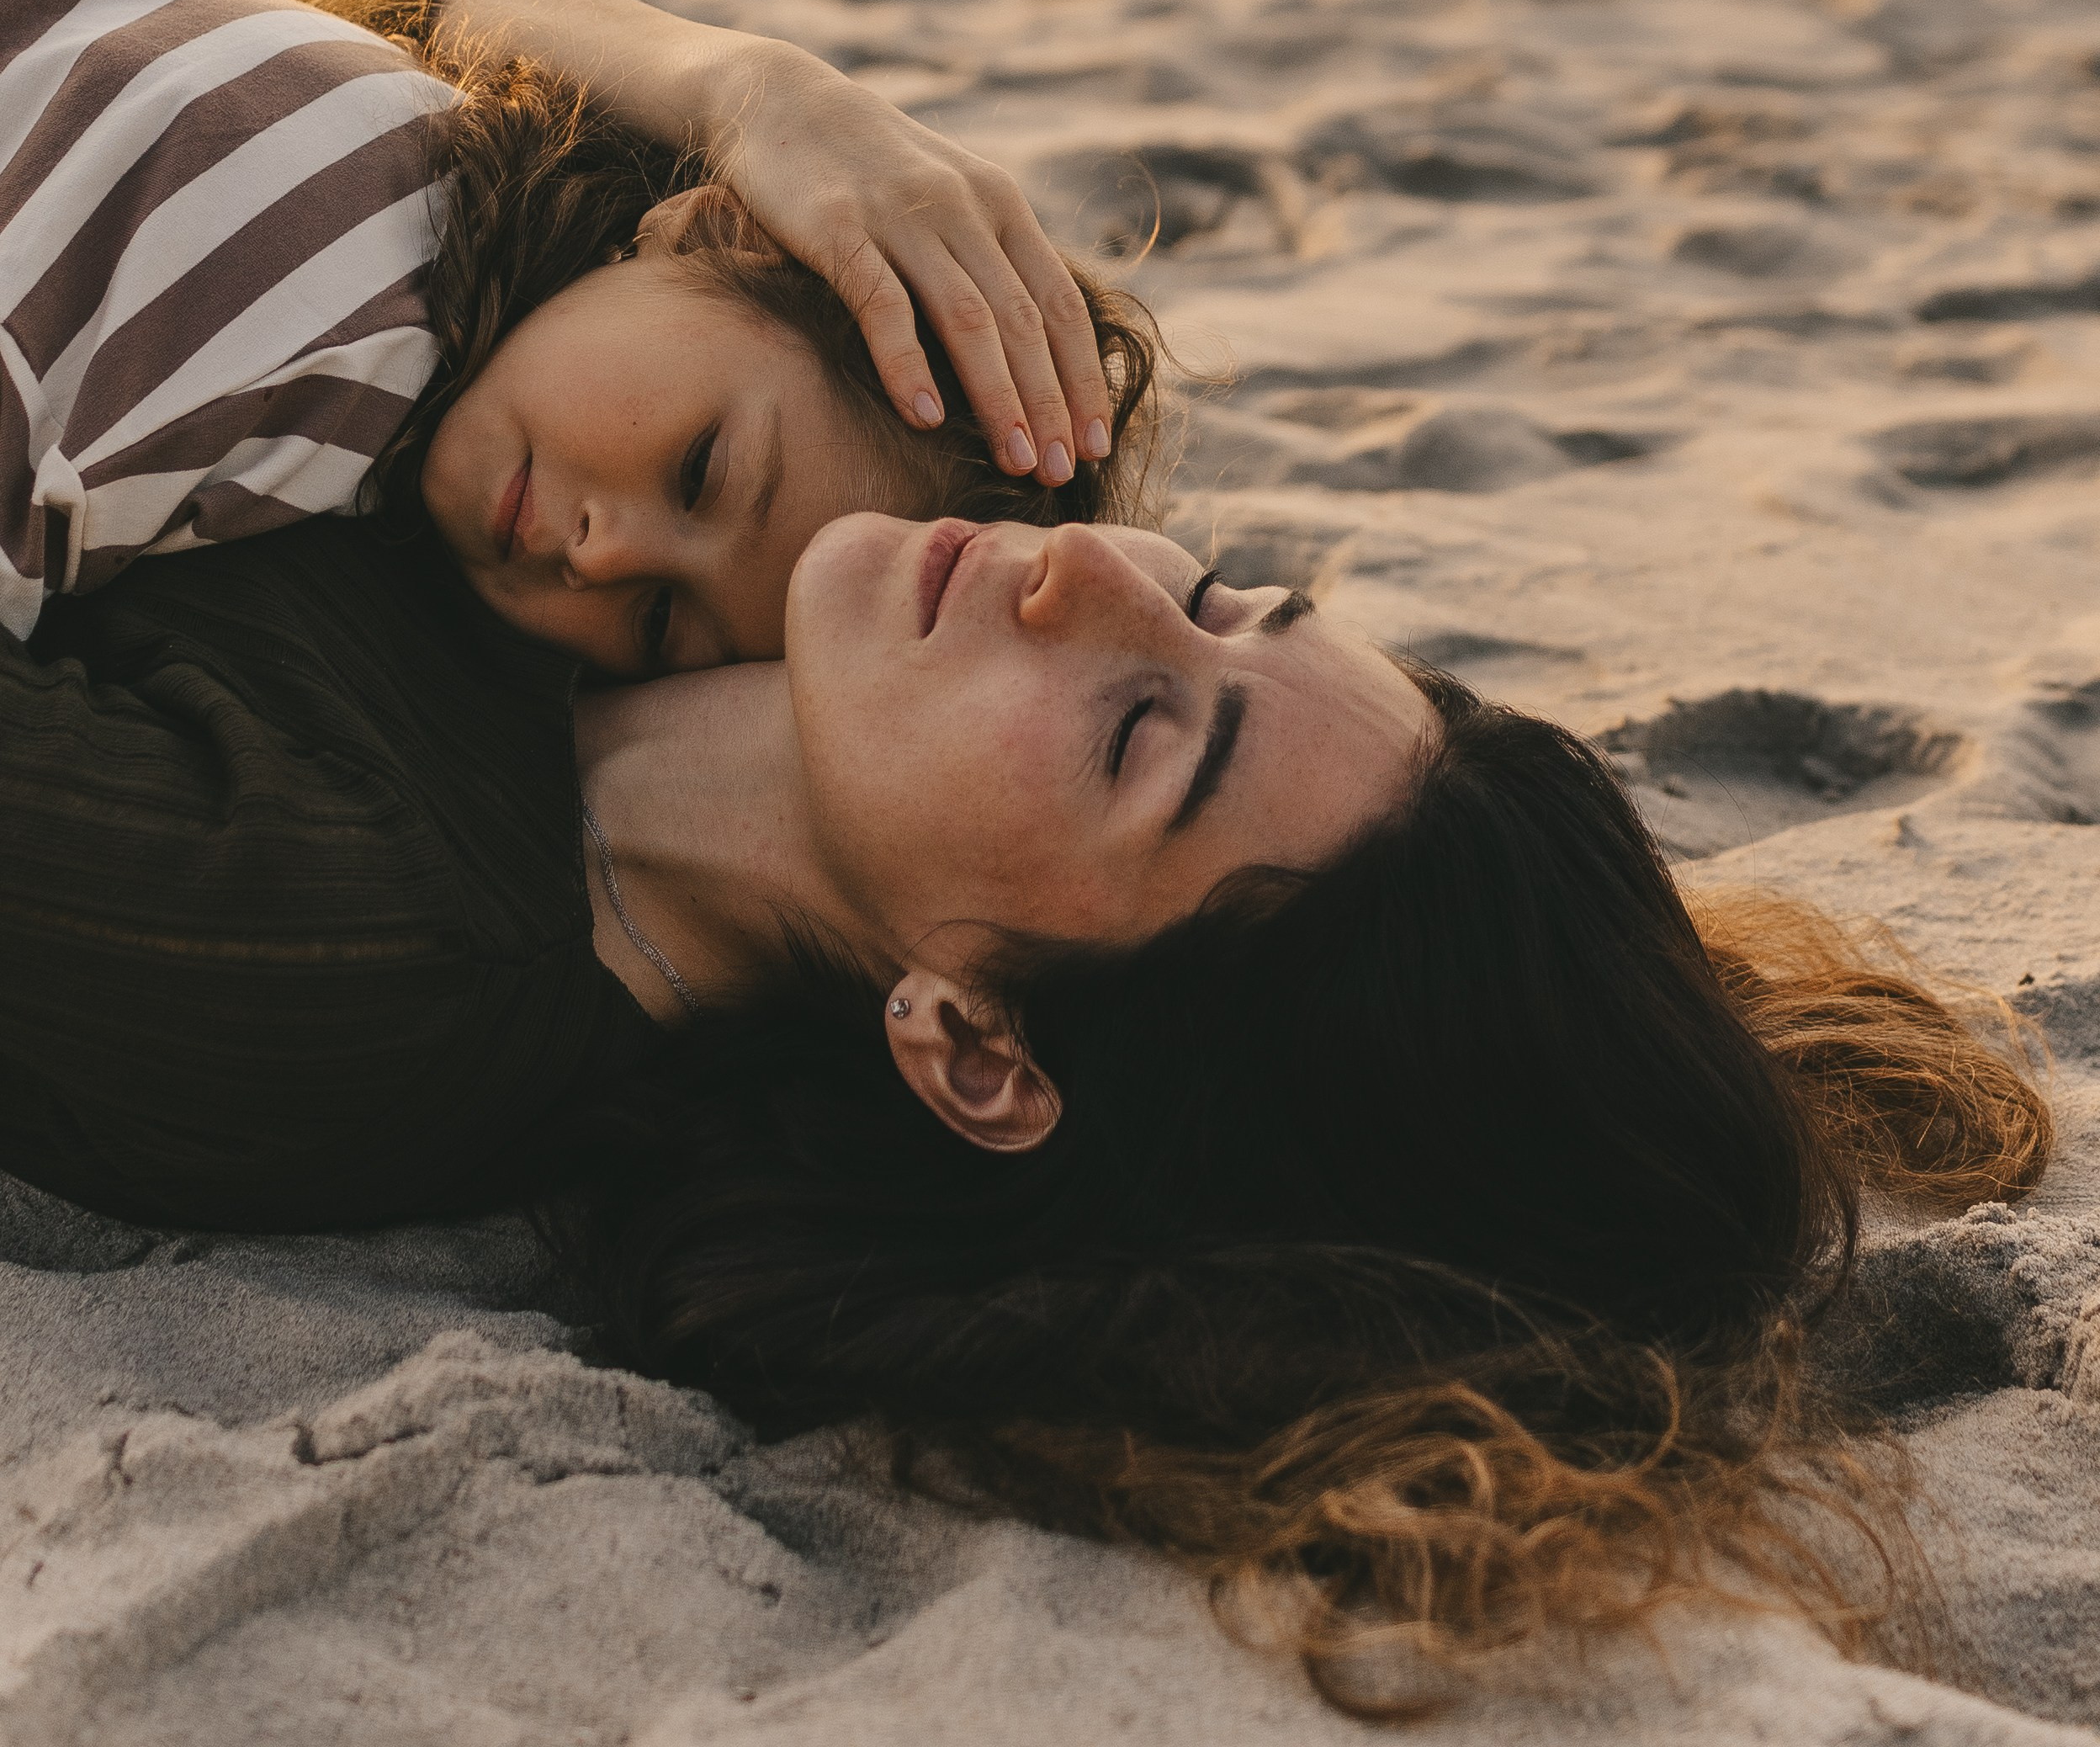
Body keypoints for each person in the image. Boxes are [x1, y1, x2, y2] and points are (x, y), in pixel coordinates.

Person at [0, 491, 2051, 1712]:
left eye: (1144, 729)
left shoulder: (312, 946)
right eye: (1230, 591)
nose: (1092, 561)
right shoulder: (822, 521)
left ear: (972, 1049)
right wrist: (710, 81)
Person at [0, 0, 1157, 661]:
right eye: (700, 470)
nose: (605, 557)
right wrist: (746, 84)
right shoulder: (339, 321)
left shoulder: (426, 153)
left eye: (660, 625)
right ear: (714, 224)